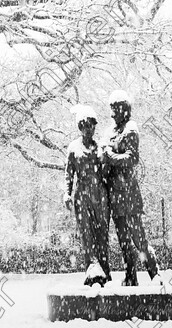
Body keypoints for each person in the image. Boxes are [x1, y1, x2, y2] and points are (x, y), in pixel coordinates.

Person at [101, 90, 162, 287]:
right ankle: (131, 276)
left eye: (115, 110)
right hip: (115, 197)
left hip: (128, 195)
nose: (112, 114)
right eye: (111, 110)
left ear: (124, 110)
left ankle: (155, 275)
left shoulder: (130, 130)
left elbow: (131, 158)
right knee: (124, 241)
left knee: (139, 240)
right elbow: (104, 151)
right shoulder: (111, 131)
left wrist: (110, 157)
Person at [64, 104, 111, 286]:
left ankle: (104, 269)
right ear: (80, 127)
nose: (88, 129)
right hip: (82, 194)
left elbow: (107, 173)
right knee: (86, 233)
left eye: (91, 125)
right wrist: (67, 194)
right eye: (85, 126)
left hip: (100, 194)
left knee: (102, 233)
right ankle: (92, 268)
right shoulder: (74, 148)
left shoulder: (100, 148)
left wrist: (105, 160)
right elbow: (69, 174)